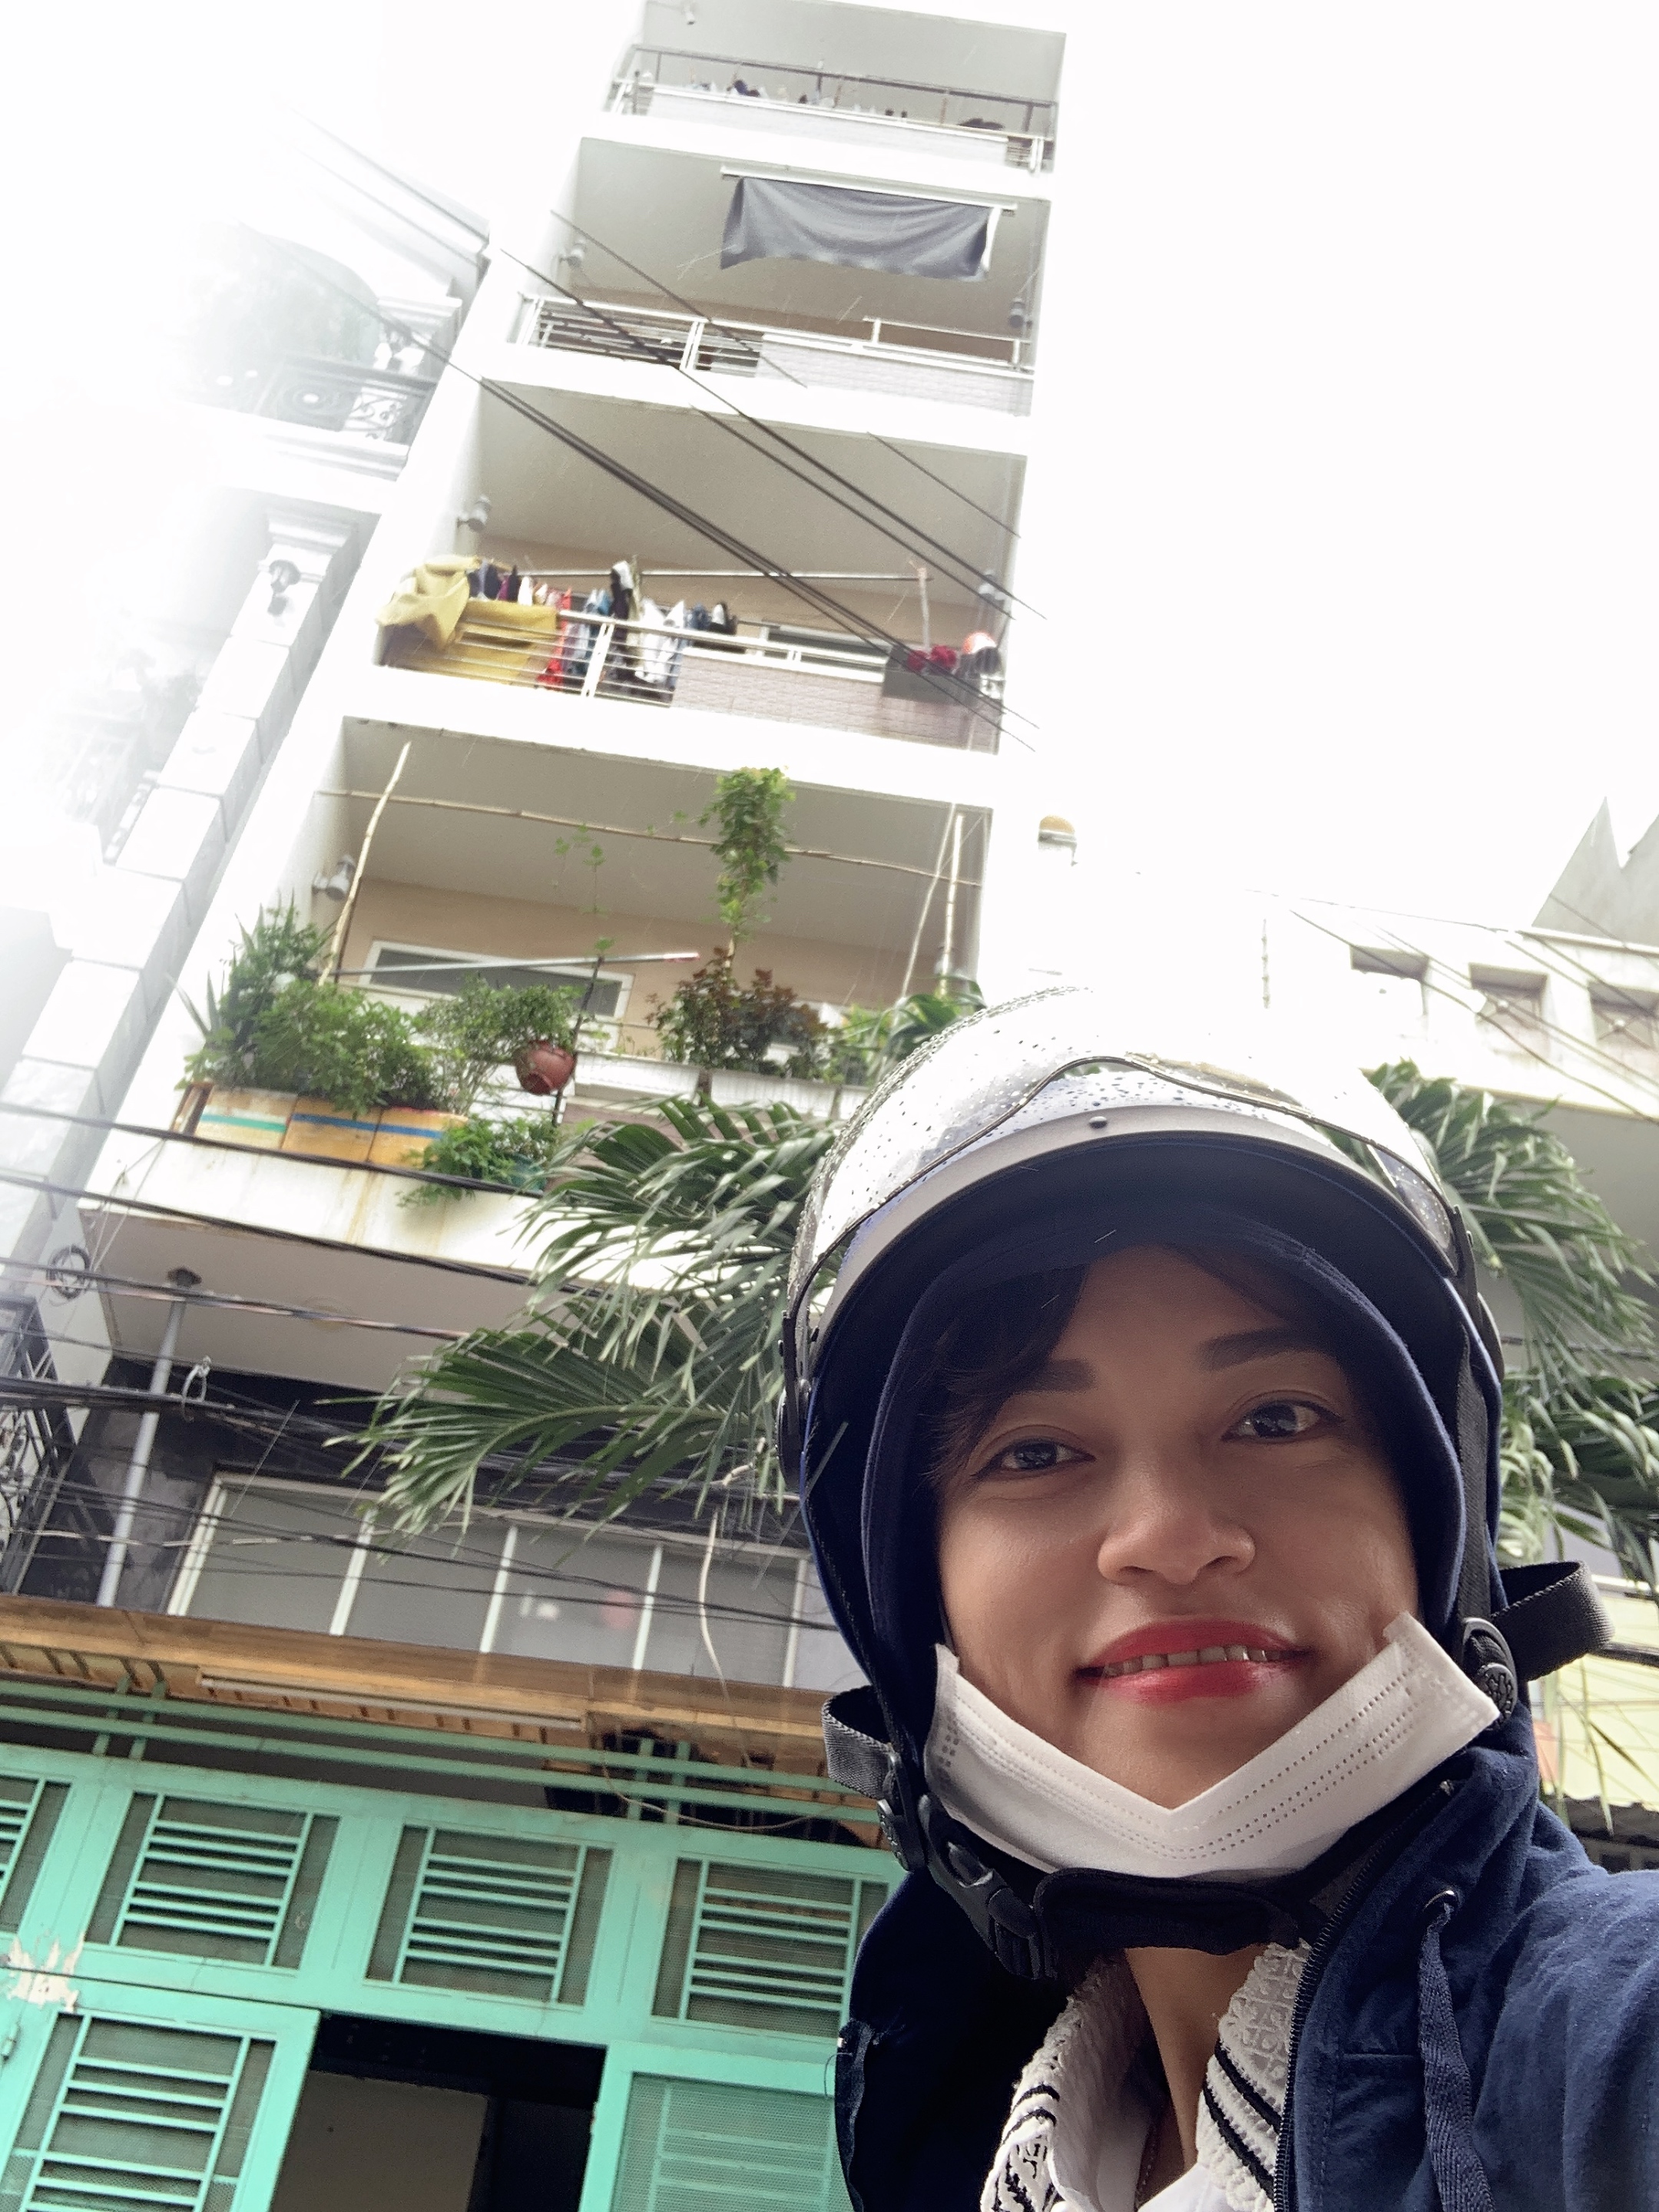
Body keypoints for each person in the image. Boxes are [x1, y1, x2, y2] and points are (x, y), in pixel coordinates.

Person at [780, 991, 1659, 2211]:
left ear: (1429, 1516)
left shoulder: (1614, 2041)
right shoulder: (978, 2146)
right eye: (1035, 1452)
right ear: (917, 1601)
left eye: (1276, 1419)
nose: (1171, 1539)